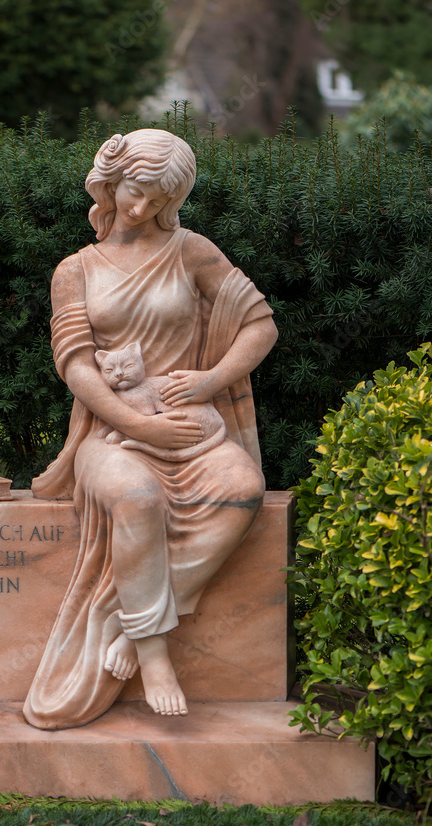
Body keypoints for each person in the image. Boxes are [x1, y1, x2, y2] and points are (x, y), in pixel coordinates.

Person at [23, 129, 278, 730]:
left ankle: (129, 625)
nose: (142, 207)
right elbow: (77, 368)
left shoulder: (191, 251)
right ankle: (155, 651)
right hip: (110, 435)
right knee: (136, 495)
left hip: (189, 426)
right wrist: (139, 425)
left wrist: (209, 380)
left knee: (243, 488)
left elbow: (261, 326)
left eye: (160, 199)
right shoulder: (75, 270)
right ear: (110, 182)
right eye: (135, 191)